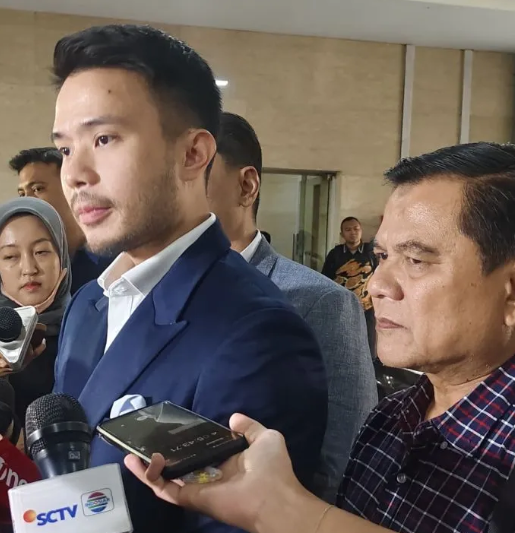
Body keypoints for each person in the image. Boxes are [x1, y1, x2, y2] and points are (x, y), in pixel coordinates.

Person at [130, 142, 515, 533]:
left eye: (416, 260)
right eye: (382, 256)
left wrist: (287, 510)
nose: (377, 286)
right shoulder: (389, 418)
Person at [50, 24, 327, 533]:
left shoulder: (256, 333)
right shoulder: (89, 302)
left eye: (104, 139)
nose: (74, 175)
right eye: (65, 149)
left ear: (193, 153)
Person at [206, 111, 376, 502]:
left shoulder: (320, 300)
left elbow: (345, 451)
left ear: (246, 186)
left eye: (194, 176)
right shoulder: (161, 294)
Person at [0, 197, 70, 427]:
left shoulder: (91, 322)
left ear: (62, 256)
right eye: (11, 256)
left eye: (41, 252)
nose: (29, 269)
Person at [11, 147, 113, 294]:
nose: (27, 200)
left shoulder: (113, 259)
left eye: (38, 189)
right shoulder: (28, 267)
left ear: (70, 188)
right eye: (22, 194)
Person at [322, 217, 378, 358]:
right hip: (342, 309)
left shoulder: (371, 253)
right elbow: (325, 280)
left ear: (361, 231)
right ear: (342, 234)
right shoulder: (335, 254)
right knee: (343, 345)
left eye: (356, 229)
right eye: (348, 230)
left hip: (367, 309)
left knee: (368, 346)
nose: (353, 232)